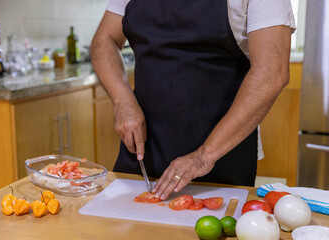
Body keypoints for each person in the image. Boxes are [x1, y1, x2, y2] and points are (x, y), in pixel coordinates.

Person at [91, 0, 296, 200]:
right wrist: (123, 101)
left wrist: (203, 157)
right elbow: (104, 39)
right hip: (143, 149)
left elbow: (271, 72)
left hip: (220, 154)